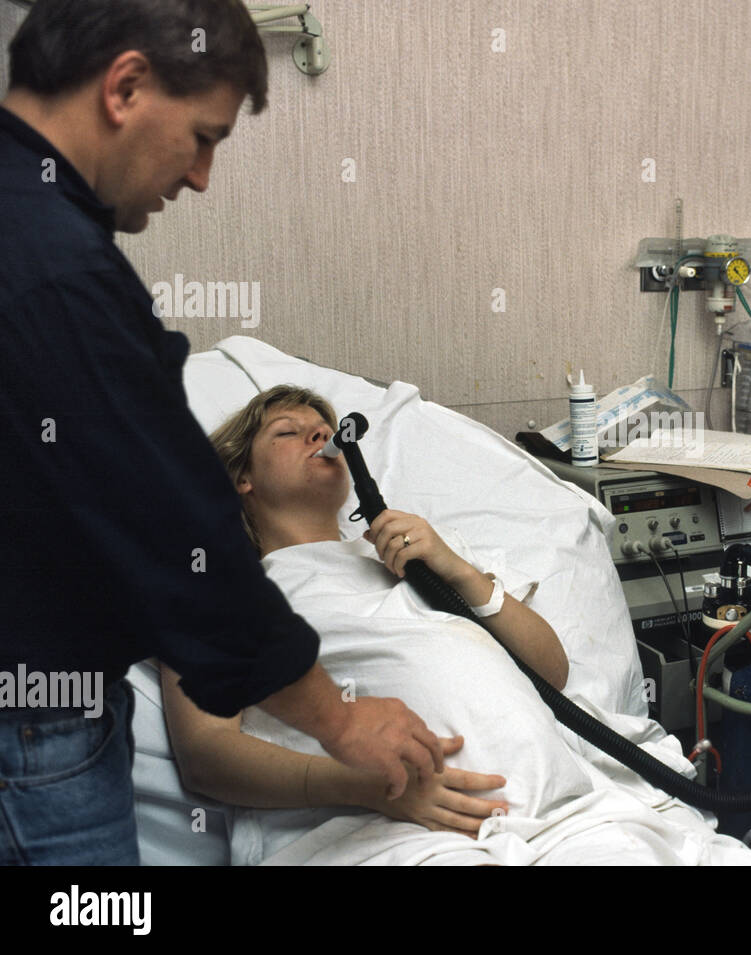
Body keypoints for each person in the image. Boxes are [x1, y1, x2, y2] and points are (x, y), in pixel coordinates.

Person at [0, 0, 440, 865]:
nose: (200, 176)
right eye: (203, 136)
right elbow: (174, 534)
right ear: (125, 86)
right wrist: (339, 723)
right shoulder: (56, 274)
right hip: (35, 731)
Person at [161, 386, 751, 865]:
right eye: (288, 432)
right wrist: (368, 788)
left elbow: (552, 672)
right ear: (240, 477)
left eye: (323, 426)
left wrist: (458, 570)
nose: (318, 434)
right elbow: (207, 755)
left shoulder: (414, 555)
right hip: (397, 833)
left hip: (576, 817)